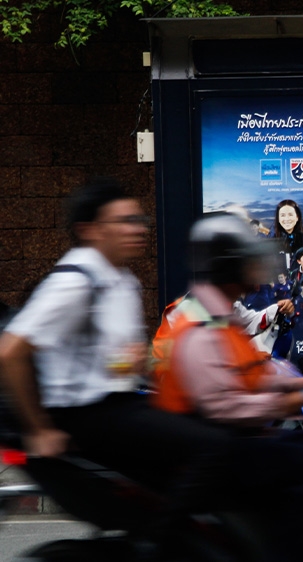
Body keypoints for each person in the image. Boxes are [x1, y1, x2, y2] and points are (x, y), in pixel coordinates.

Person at [0, 178, 230, 491]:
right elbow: (11, 351)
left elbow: (114, 363)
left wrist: (132, 365)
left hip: (119, 405)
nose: (139, 229)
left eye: (140, 220)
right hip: (84, 417)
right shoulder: (76, 281)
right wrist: (38, 430)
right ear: (89, 230)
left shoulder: (123, 279)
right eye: (125, 221)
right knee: (212, 447)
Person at [152, 213, 303, 562]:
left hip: (229, 437)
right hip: (214, 445)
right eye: (247, 258)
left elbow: (254, 358)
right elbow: (226, 405)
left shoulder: (221, 309)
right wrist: (301, 396)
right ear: (228, 265)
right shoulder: (196, 320)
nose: (255, 267)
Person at [271, 199, 303, 271]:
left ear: (297, 217)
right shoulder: (271, 241)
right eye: (282, 215)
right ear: (278, 219)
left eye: (290, 214)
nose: (287, 219)